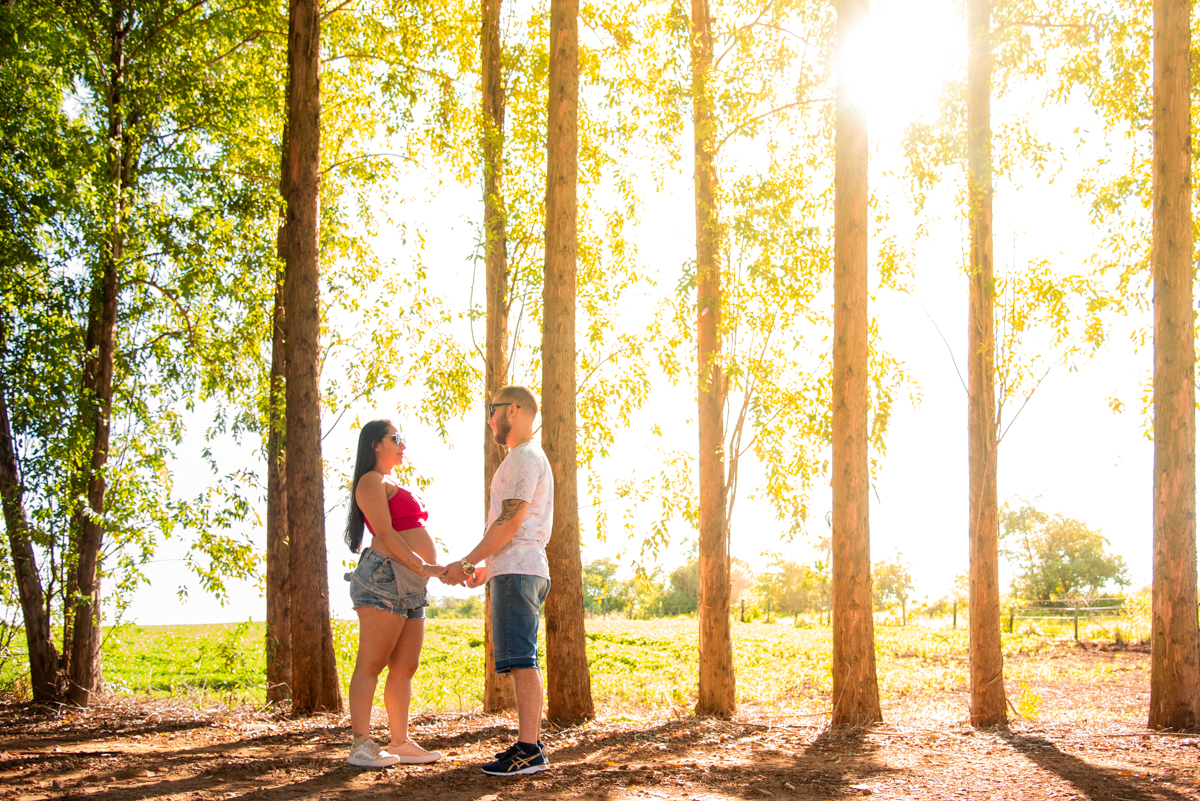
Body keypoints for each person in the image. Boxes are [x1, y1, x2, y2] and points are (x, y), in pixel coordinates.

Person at [440, 385, 553, 776]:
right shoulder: (520, 458)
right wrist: (488, 567)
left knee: (523, 660)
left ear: (515, 409)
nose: (489, 418)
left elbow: (511, 520)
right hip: (516, 566)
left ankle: (529, 751)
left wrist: (468, 562)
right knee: (522, 658)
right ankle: (529, 744)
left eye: (494, 409)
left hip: (520, 567)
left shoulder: (523, 456)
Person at [343, 419, 444, 768]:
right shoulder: (371, 481)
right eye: (395, 438)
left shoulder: (392, 482)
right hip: (384, 579)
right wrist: (425, 566)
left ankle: (399, 741)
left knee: (404, 666)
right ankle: (360, 744)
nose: (403, 444)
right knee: (371, 662)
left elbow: (410, 529)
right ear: (375, 444)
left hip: (411, 582)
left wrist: (435, 569)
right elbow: (385, 533)